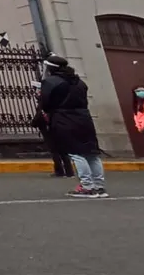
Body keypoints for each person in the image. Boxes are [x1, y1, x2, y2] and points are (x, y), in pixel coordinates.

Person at [40, 54, 106, 198]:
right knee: (91, 152)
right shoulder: (79, 82)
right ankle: (99, 185)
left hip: (64, 118)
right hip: (83, 117)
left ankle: (87, 186)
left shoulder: (51, 82)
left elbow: (45, 103)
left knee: (76, 153)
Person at [30, 85, 74, 178]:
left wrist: (33, 123)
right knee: (63, 150)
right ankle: (69, 171)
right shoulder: (55, 102)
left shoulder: (43, 103)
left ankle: (60, 171)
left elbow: (39, 116)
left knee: (55, 151)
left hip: (48, 128)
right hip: (58, 127)